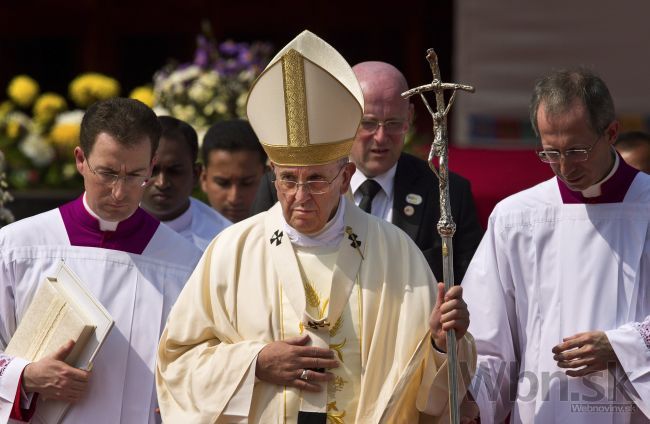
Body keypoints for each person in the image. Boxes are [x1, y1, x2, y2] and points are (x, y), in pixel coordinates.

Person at [157, 30, 476, 423]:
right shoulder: (232, 250)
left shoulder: (396, 254)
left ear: (345, 178)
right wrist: (254, 362)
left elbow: (431, 393)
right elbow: (177, 362)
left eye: (316, 180)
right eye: (288, 179)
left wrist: (443, 346)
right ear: (272, 175)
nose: (300, 196)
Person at [462, 68, 650, 422]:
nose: (564, 167)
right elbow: (490, 345)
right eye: (551, 153)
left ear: (611, 133)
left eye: (577, 150)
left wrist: (621, 347)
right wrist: (467, 401)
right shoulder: (516, 218)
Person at [0, 98, 202, 423]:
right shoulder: (17, 247)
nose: (120, 193)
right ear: (80, 159)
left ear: (151, 166)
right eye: (107, 173)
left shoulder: (185, 262)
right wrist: (25, 375)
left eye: (136, 175)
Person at [251, 61, 483, 283]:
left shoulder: (445, 192)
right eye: (368, 123)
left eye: (393, 123)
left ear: (410, 117)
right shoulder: (287, 186)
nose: (381, 138)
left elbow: (469, 284)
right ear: (343, 118)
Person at [142, 115, 230, 250]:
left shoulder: (222, 240)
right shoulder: (108, 225)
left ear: (196, 174)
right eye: (152, 170)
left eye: (174, 171)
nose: (161, 183)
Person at [200, 118, 267, 223]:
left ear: (266, 176)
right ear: (203, 179)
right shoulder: (177, 237)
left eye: (247, 183)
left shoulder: (291, 235)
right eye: (223, 183)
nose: (234, 198)